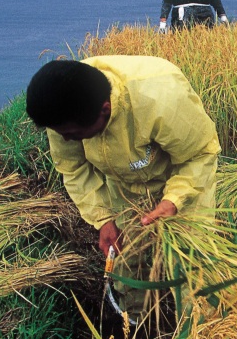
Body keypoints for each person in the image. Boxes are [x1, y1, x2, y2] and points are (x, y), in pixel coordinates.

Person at [25, 56, 220, 318]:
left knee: (190, 263)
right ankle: (137, 323)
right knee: (126, 258)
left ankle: (201, 336)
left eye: (72, 134)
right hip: (125, 185)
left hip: (184, 178)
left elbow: (200, 154)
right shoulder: (64, 109)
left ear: (105, 110)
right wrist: (104, 220)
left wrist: (173, 200)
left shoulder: (160, 96)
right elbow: (73, 168)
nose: (67, 140)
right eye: (61, 134)